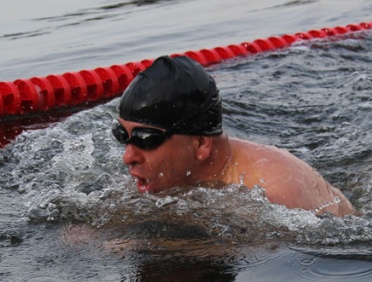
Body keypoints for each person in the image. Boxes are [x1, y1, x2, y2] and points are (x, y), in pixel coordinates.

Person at [113, 55, 355, 217]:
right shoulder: (174, 173)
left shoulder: (276, 198)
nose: (128, 157)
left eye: (146, 139)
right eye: (122, 134)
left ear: (201, 144)